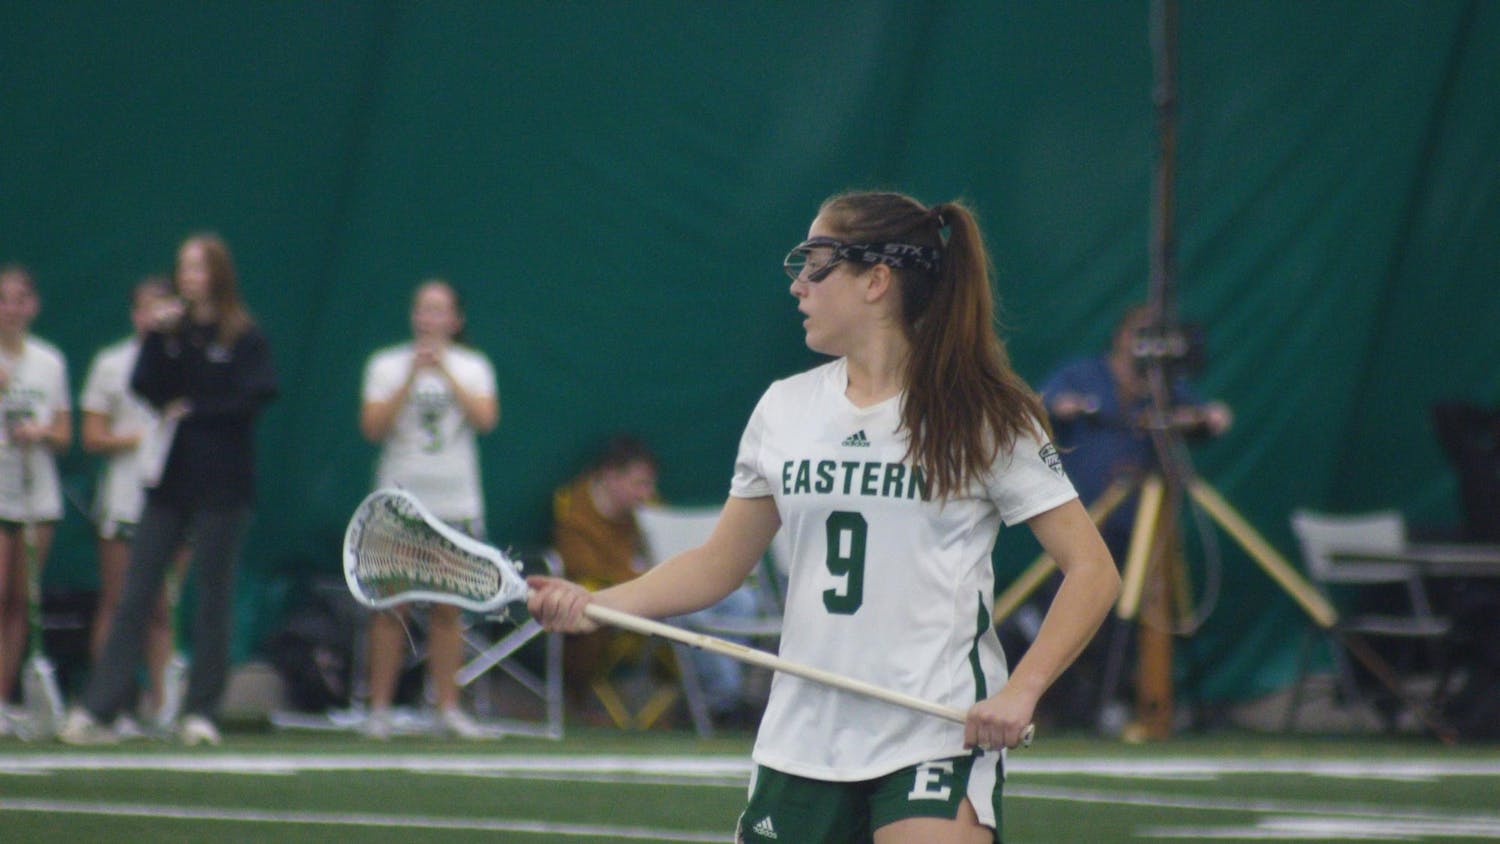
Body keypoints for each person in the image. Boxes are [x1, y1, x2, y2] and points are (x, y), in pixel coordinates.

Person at [529, 191, 1120, 842]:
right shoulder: (784, 409)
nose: (797, 286)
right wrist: (596, 602)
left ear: (876, 280)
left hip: (933, 727)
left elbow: (1091, 570)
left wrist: (1022, 691)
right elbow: (717, 565)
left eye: (814, 264)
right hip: (802, 736)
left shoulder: (984, 415)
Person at [61, 233, 278, 746]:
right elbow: (147, 386)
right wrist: (158, 338)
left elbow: (254, 396)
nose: (188, 277)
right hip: (170, 481)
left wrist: (197, 409)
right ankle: (101, 708)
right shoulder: (172, 333)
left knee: (212, 597)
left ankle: (201, 711)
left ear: (218, 274)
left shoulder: (244, 335)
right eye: (184, 268)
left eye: (198, 268)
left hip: (224, 483)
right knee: (136, 591)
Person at [1028, 304, 1231, 732]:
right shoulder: (1084, 375)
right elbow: (1040, 403)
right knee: (1069, 613)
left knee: (1139, 623)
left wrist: (1194, 417)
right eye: (1140, 333)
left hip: (1146, 532)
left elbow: (1212, 417)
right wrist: (1065, 408)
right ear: (1121, 335)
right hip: (1087, 524)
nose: (1147, 345)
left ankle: (1126, 703)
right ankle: (1063, 705)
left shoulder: (1164, 386)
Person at [358, 279, 498, 740]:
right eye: (423, 309)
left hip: (455, 501)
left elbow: (485, 420)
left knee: (448, 607)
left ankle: (447, 708)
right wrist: (412, 377)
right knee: (391, 605)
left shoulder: (474, 366)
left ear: (455, 320)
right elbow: (373, 427)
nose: (429, 319)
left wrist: (447, 373)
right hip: (400, 502)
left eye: (439, 311)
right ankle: (378, 708)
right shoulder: (386, 364)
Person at [552, 434, 758, 728]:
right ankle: (726, 699)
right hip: (614, 617)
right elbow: (588, 574)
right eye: (639, 484)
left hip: (661, 596)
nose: (647, 494)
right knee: (690, 609)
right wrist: (650, 581)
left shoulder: (646, 511)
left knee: (742, 600)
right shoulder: (576, 517)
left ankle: (720, 693)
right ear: (611, 477)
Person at [77, 275, 191, 734]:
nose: (156, 316)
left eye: (165, 308)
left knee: (164, 605)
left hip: (177, 496)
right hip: (125, 498)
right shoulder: (111, 363)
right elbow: (92, 436)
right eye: (147, 308)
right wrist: (142, 438)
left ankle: (162, 706)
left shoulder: (191, 360)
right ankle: (109, 702)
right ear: (134, 314)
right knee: (119, 601)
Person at [0, 265, 72, 738]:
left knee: (20, 604)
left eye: (20, 298)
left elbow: (64, 434)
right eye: (4, 299)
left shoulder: (49, 362)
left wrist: (39, 431)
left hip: (36, 496)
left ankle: (3, 700)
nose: (12, 307)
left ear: (33, 306)